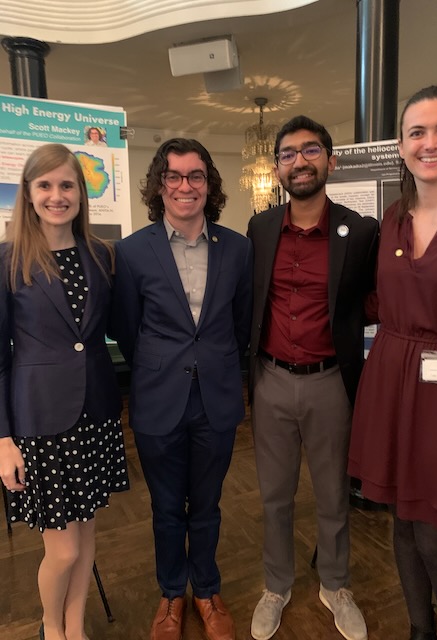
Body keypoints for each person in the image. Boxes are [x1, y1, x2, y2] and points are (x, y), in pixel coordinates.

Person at [348, 85, 437, 640]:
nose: (430, 142)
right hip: (391, 388)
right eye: (417, 132)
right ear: (401, 146)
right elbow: (380, 301)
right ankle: (419, 631)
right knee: (402, 528)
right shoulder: (395, 218)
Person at [110, 138, 253, 640]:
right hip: (158, 401)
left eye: (195, 176)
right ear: (159, 185)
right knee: (167, 508)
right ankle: (171, 594)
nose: (184, 186)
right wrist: (161, 365)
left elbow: (241, 323)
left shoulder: (238, 248)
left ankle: (207, 591)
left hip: (217, 399)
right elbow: (127, 329)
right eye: (173, 176)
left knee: (208, 506)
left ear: (209, 184)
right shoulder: (131, 252)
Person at [248, 115, 379, 640]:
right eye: (287, 154)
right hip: (271, 380)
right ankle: (276, 585)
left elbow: (373, 299)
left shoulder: (360, 231)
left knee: (332, 495)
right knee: (274, 496)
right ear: (277, 166)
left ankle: (335, 585)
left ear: (330, 160)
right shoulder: (260, 228)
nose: (298, 161)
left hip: (330, 383)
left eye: (310, 151)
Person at [0, 143, 129, 640]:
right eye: (45, 185)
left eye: (67, 185)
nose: (57, 195)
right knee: (64, 549)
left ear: (80, 192)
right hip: (40, 421)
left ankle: (76, 628)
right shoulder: (8, 259)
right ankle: (51, 628)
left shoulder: (101, 254)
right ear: (29, 193)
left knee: (88, 535)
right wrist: (3, 439)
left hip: (96, 413)